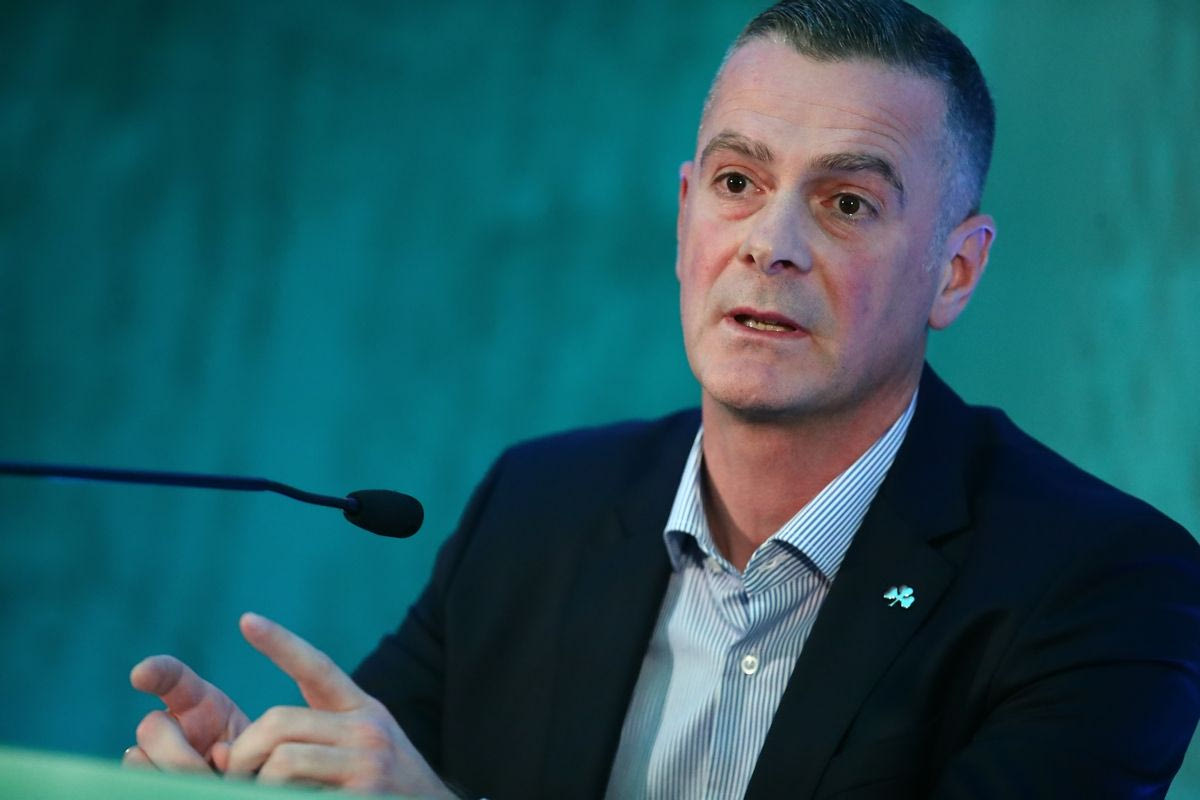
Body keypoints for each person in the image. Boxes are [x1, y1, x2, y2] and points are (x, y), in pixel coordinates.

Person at [123, 1, 1200, 797]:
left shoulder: (1105, 585)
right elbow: (381, 768)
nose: (771, 245)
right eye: (737, 184)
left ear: (955, 272)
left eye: (846, 203)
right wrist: (247, 784)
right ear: (688, 218)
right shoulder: (538, 507)